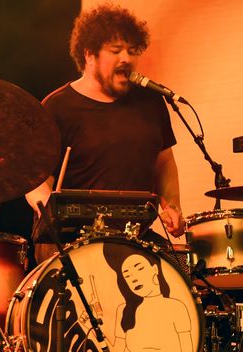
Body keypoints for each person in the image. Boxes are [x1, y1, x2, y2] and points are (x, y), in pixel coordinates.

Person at [26, 4, 185, 264]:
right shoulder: (57, 107)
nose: (127, 58)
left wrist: (173, 205)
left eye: (132, 51)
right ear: (89, 55)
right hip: (70, 246)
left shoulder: (151, 102)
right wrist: (51, 209)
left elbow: (164, 161)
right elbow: (34, 181)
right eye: (115, 50)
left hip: (134, 242)